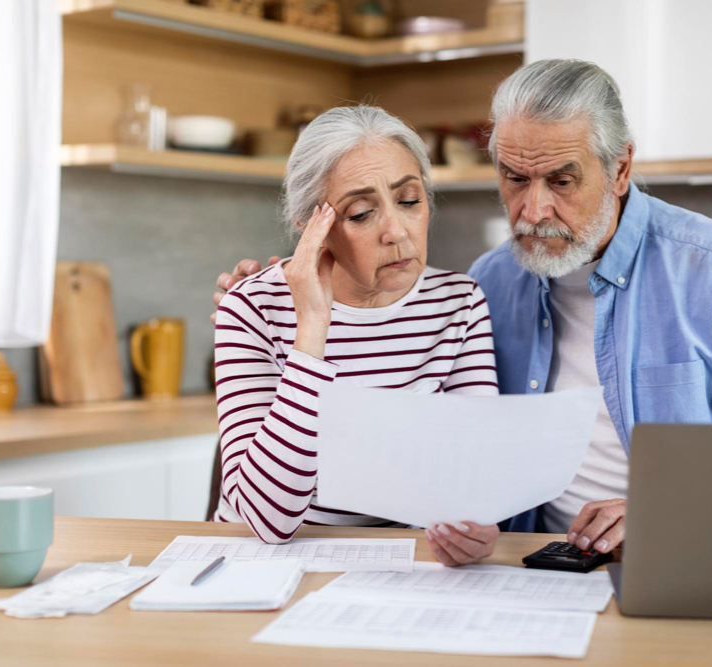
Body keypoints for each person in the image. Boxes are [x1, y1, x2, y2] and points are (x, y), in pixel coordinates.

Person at [216, 60, 712, 558]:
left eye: (562, 181)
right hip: (536, 562)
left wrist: (674, 509)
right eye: (515, 178)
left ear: (621, 167)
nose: (534, 209)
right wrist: (283, 303)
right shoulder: (493, 281)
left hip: (687, 552)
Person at [213, 105, 501, 567]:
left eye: (410, 201)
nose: (396, 231)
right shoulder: (251, 307)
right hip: (263, 567)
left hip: (398, 566)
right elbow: (268, 520)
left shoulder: (458, 302)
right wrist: (312, 326)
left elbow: (474, 477)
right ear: (312, 226)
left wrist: (476, 527)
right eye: (362, 212)